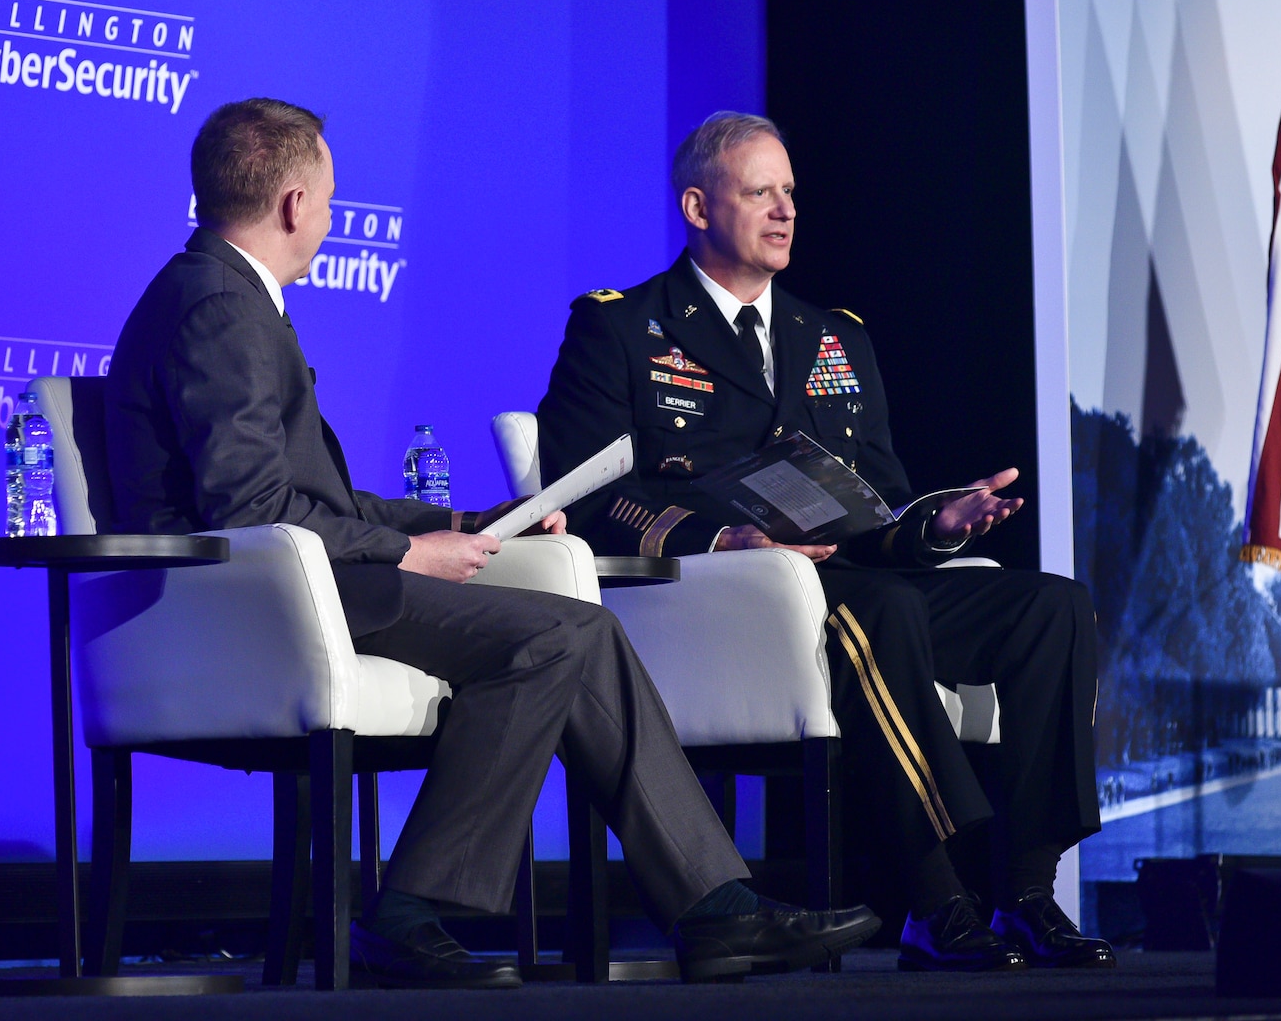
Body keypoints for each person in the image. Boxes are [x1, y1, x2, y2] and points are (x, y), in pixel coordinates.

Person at [103, 98, 880, 989]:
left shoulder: (226, 294)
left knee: (574, 631)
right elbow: (250, 508)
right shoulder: (219, 307)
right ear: (289, 203)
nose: (328, 216)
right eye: (325, 197)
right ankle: (422, 911)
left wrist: (460, 524)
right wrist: (405, 554)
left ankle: (713, 914)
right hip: (250, 601)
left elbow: (311, 496)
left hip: (305, 579)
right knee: (559, 635)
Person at [537, 112, 1113, 972]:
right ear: (697, 206)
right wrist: (721, 536)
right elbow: (584, 499)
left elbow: (878, 507)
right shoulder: (620, 328)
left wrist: (938, 522)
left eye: (791, 192)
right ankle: (936, 897)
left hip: (849, 579)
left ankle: (1030, 890)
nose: (784, 210)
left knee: (1052, 607)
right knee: (878, 613)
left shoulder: (836, 336)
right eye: (759, 191)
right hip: (721, 602)